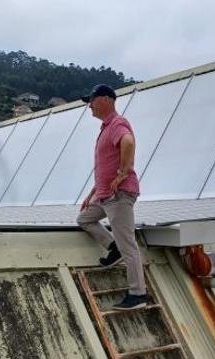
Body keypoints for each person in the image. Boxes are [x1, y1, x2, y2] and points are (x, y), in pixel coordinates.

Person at [76, 84, 148, 310]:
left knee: (129, 244)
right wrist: (91, 193)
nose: (90, 105)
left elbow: (128, 142)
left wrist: (122, 174)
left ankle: (138, 294)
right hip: (105, 194)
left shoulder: (117, 123)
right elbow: (104, 166)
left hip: (119, 195)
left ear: (106, 100)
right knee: (84, 219)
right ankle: (112, 246)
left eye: (93, 100)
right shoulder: (106, 128)